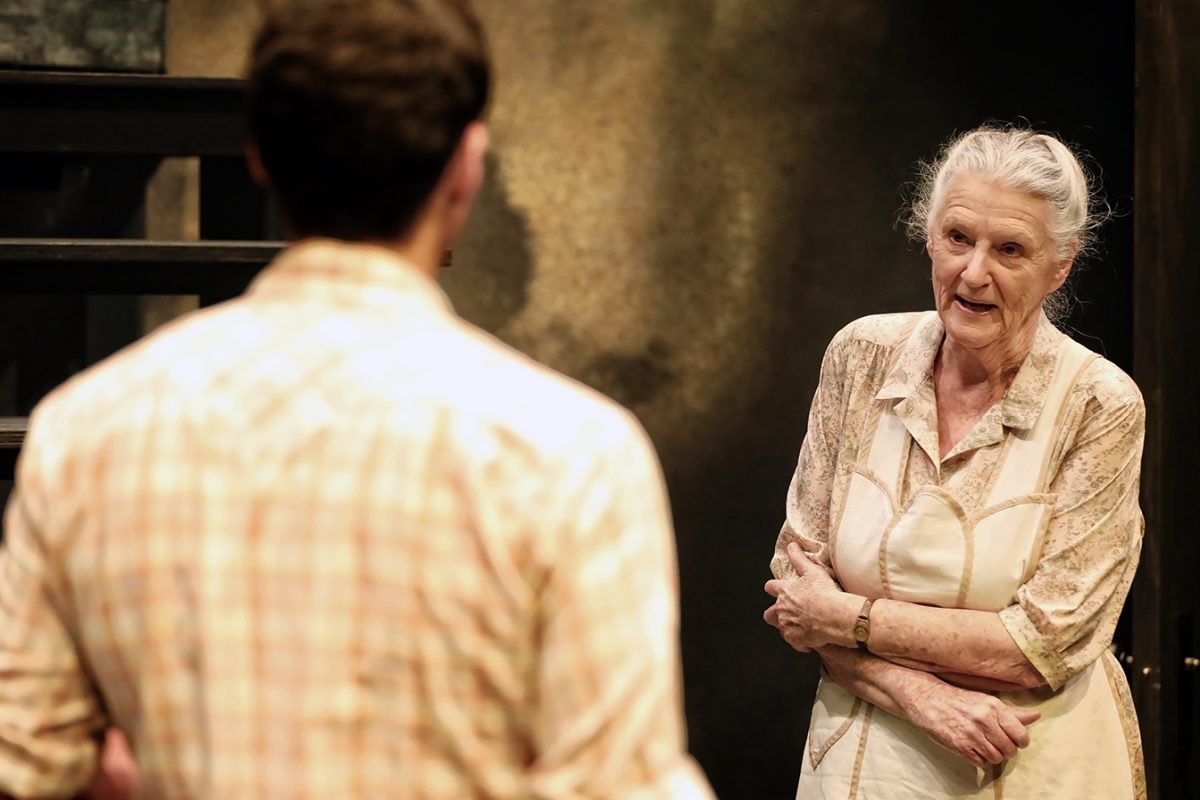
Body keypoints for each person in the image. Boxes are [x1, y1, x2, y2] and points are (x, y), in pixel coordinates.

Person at [0, 1, 715, 798]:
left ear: (260, 155)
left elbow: (20, 758)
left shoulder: (84, 432)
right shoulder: (573, 455)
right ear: (467, 164)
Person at [762, 126, 1145, 799]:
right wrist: (922, 698)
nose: (973, 273)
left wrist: (849, 620)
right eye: (958, 238)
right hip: (862, 765)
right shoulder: (862, 356)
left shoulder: (1098, 404)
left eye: (1010, 250)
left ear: (1060, 266)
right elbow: (796, 589)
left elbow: (1042, 644)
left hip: (1027, 761)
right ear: (929, 238)